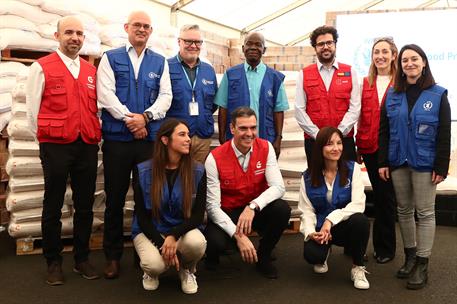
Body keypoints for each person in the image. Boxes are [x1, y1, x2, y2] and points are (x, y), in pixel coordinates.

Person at [97, 10, 172, 279]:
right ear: (127, 27)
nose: (141, 29)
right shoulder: (110, 58)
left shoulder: (159, 61)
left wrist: (146, 118)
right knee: (115, 199)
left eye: (146, 26)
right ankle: (113, 256)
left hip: (147, 141)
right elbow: (105, 94)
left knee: (146, 199)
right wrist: (131, 119)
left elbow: (166, 96)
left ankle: (145, 251)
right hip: (118, 139)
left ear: (150, 32)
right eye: (137, 25)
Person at [26, 16, 101, 285]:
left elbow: (97, 108)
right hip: (55, 145)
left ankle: (81, 258)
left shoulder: (91, 71)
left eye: (79, 33)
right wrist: (46, 138)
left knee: (84, 205)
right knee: (53, 204)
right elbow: (32, 112)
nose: (75, 38)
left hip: (87, 145)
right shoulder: (41, 67)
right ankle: (53, 262)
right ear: (57, 36)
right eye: (69, 32)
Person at [378, 44, 451, 290]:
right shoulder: (392, 94)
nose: (409, 63)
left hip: (424, 162)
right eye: (406, 60)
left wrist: (441, 165)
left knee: (426, 212)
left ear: (424, 63)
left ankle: (422, 263)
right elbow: (384, 130)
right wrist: (383, 162)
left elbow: (444, 133)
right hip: (398, 160)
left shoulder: (438, 94)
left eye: (415, 59)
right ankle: (409, 257)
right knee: (404, 211)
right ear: (400, 65)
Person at [205, 106, 291, 279]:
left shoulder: (266, 147)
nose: (249, 133)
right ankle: (215, 255)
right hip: (228, 212)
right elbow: (212, 207)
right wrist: (238, 235)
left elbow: (279, 187)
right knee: (216, 241)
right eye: (243, 128)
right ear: (232, 129)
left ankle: (264, 256)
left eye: (253, 127)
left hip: (253, 210)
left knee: (282, 209)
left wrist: (252, 207)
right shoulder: (214, 158)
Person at [131, 119, 206, 294]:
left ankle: (186, 269)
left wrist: (173, 235)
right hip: (151, 229)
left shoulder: (197, 171)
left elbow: (197, 216)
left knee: (197, 243)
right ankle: (150, 273)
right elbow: (141, 217)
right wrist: (162, 244)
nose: (188, 139)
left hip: (180, 230)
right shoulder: (143, 171)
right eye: (182, 134)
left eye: (188, 134)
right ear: (165, 140)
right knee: (154, 265)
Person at [298, 126, 370, 290]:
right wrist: (311, 233)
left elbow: (358, 203)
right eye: (330, 144)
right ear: (320, 148)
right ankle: (324, 250)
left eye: (339, 143)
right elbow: (306, 210)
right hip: (321, 230)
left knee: (361, 220)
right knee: (312, 255)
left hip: (344, 226)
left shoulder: (353, 169)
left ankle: (358, 268)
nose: (336, 148)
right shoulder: (308, 176)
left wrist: (330, 220)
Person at [355, 37, 398, 264]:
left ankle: (385, 248)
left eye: (384, 51)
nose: (380, 56)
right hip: (369, 147)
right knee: (370, 197)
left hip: (392, 151)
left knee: (385, 199)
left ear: (393, 55)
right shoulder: (365, 82)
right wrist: (357, 145)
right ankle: (357, 244)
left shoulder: (400, 83)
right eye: (376, 52)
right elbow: (359, 115)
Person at [214, 32, 289, 157]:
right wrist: (222, 137)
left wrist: (278, 139)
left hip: (265, 138)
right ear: (243, 49)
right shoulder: (230, 75)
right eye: (249, 44)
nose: (253, 47)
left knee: (262, 174)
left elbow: (279, 111)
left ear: (264, 50)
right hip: (236, 140)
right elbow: (223, 108)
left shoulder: (275, 78)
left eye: (258, 45)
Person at [295, 25, 360, 163]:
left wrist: (339, 134)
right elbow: (299, 110)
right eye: (321, 44)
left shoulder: (350, 72)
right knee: (317, 181)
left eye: (329, 43)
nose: (325, 47)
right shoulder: (304, 74)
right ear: (315, 48)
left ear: (335, 44)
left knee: (347, 181)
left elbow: (355, 108)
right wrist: (318, 135)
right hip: (315, 142)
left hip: (344, 141)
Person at [167, 24, 217, 164]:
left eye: (197, 42)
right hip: (176, 137)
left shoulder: (208, 70)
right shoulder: (166, 67)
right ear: (179, 42)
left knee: (197, 177)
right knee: (175, 177)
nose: (193, 46)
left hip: (202, 136)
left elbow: (213, 104)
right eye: (188, 41)